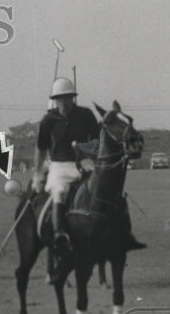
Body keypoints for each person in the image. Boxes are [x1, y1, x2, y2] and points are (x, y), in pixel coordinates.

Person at [32, 77, 145, 256]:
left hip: (84, 163)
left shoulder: (85, 114)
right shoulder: (48, 120)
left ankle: (125, 234)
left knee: (109, 188)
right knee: (59, 191)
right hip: (59, 166)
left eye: (68, 97)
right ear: (55, 100)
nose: (65, 101)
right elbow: (40, 150)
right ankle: (60, 234)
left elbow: (97, 140)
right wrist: (38, 174)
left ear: (72, 98)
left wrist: (87, 151)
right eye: (61, 98)